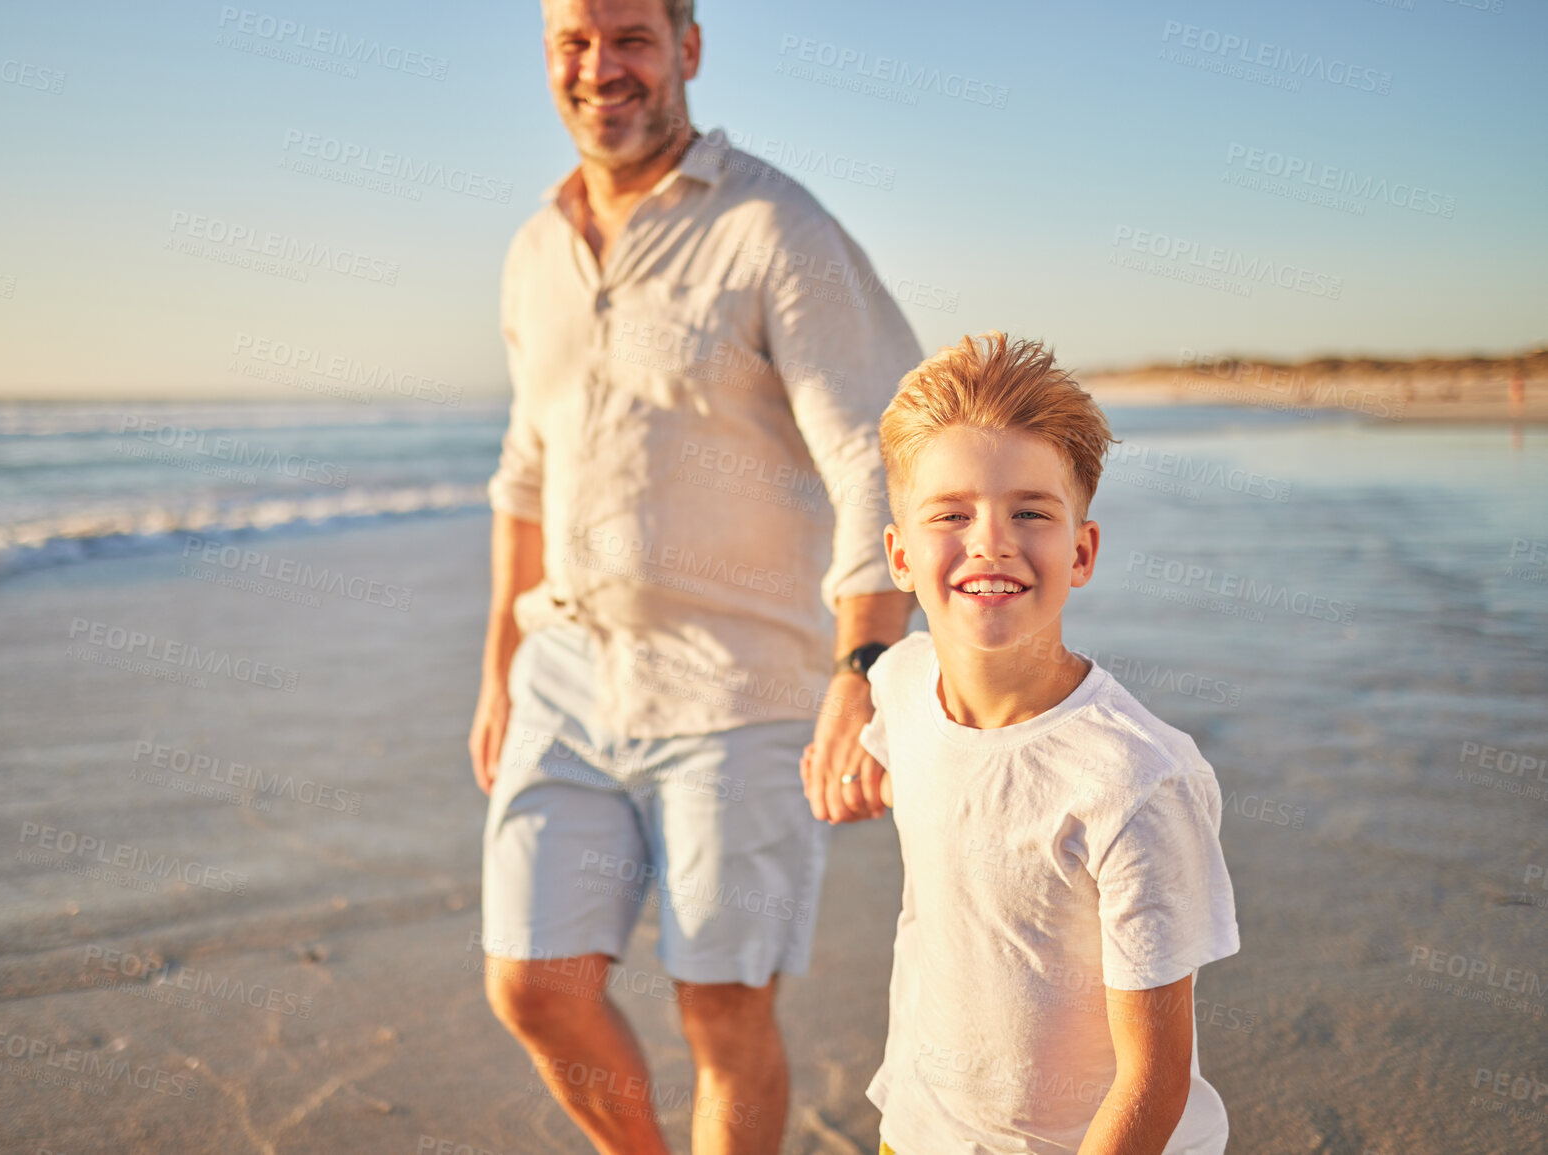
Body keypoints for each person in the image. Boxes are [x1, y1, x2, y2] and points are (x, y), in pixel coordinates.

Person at [467, 1, 922, 1151]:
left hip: (741, 687)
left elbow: (873, 452)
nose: (599, 66)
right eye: (573, 41)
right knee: (533, 984)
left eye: (629, 37)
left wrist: (862, 667)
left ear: (688, 49)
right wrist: (498, 675)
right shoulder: (536, 248)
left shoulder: (776, 226)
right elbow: (527, 474)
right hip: (565, 675)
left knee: (721, 1008)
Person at [852, 332, 1241, 1154]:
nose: (990, 540)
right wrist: (845, 744)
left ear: (1081, 550)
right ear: (898, 556)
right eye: (950, 514)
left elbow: (1153, 1078)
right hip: (919, 1128)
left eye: (1030, 511)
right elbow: (931, 773)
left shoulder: (1133, 782)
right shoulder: (897, 683)